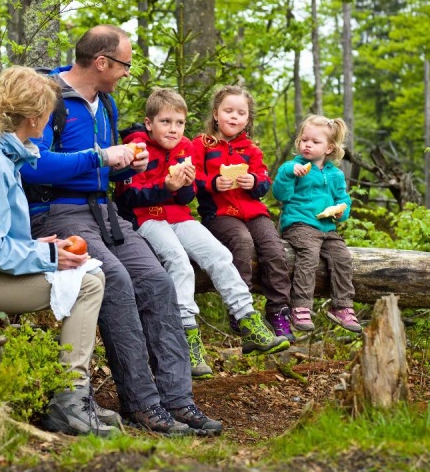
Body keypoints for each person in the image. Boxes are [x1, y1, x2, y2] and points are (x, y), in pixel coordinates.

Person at [21, 25, 223, 436]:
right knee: (115, 279)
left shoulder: (106, 104)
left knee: (158, 281)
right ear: (102, 62)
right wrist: (100, 157)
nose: (128, 72)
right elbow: (32, 164)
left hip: (106, 212)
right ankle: (143, 404)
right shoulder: (48, 97)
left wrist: (127, 165)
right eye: (124, 65)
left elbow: (105, 166)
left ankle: (177, 400)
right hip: (57, 212)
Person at [0, 66, 119, 438]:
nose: (51, 121)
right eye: (49, 114)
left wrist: (37, 248)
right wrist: (48, 258)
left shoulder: (0, 154)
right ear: (33, 118)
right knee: (88, 283)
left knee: (88, 274)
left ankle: (75, 398)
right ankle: (69, 402)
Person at [115, 88, 290, 380]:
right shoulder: (137, 148)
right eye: (165, 122)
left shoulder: (185, 147)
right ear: (149, 123)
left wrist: (185, 186)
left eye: (179, 123)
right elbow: (127, 198)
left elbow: (187, 198)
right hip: (145, 218)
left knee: (220, 254)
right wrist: (166, 187)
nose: (173, 129)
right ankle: (188, 337)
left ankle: (247, 319)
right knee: (179, 261)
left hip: (178, 217)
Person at [192, 85, 297, 343]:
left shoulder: (250, 149)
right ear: (216, 114)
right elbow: (192, 178)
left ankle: (278, 311)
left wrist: (254, 181)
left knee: (274, 248)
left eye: (241, 113)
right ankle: (241, 311)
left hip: (253, 212)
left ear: (248, 119)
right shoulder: (202, 144)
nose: (234, 117)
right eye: (228, 111)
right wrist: (213, 183)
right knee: (242, 242)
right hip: (220, 214)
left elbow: (264, 180)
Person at [271, 114, 362, 333]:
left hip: (327, 228)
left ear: (329, 148)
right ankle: (300, 306)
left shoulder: (335, 175)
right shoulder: (292, 167)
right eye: (304, 140)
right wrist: (289, 174)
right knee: (309, 255)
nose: (307, 145)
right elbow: (280, 194)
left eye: (315, 141)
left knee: (342, 256)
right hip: (299, 224)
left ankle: (342, 306)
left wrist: (341, 212)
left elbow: (343, 199)